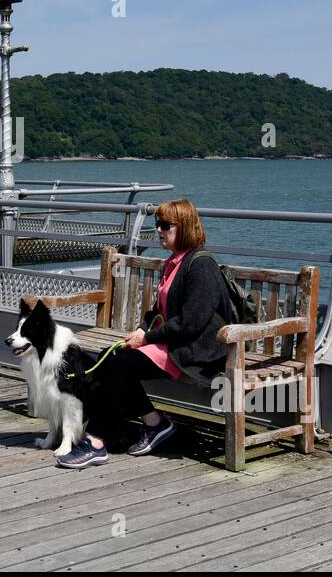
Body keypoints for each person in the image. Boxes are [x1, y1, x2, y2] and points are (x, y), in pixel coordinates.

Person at [55, 199, 236, 469]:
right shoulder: (174, 262)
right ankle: (154, 424)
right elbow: (157, 311)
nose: (159, 230)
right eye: (157, 225)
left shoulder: (201, 265)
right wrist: (141, 329)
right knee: (111, 357)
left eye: (166, 225)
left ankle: (97, 442)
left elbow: (192, 322)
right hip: (176, 343)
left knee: (116, 366)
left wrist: (148, 339)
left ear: (184, 227)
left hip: (198, 350)